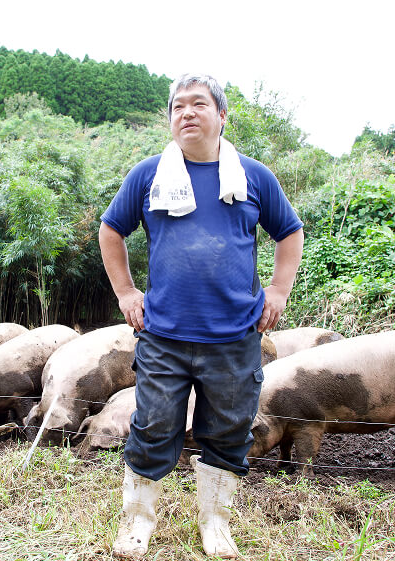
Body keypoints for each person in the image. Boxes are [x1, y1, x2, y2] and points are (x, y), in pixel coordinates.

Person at [98, 73, 304, 559]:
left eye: (198, 104)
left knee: (229, 430)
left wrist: (278, 289)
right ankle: (137, 522)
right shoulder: (149, 174)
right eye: (177, 107)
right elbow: (111, 231)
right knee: (152, 425)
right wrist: (126, 292)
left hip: (234, 337)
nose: (186, 113)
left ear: (221, 115)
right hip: (164, 335)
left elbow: (289, 233)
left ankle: (215, 522)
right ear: (170, 120)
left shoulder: (253, 176)